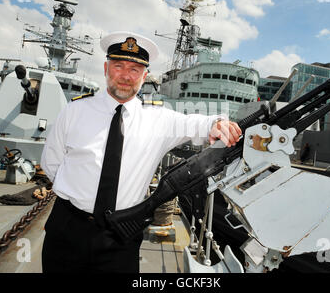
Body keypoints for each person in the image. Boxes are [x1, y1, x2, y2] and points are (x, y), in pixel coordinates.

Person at [40, 31, 242, 273]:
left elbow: (198, 122)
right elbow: (51, 163)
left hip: (121, 235)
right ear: (106, 68)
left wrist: (217, 123)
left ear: (144, 75)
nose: (126, 76)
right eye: (119, 66)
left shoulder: (158, 119)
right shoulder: (74, 111)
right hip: (68, 228)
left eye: (135, 69)